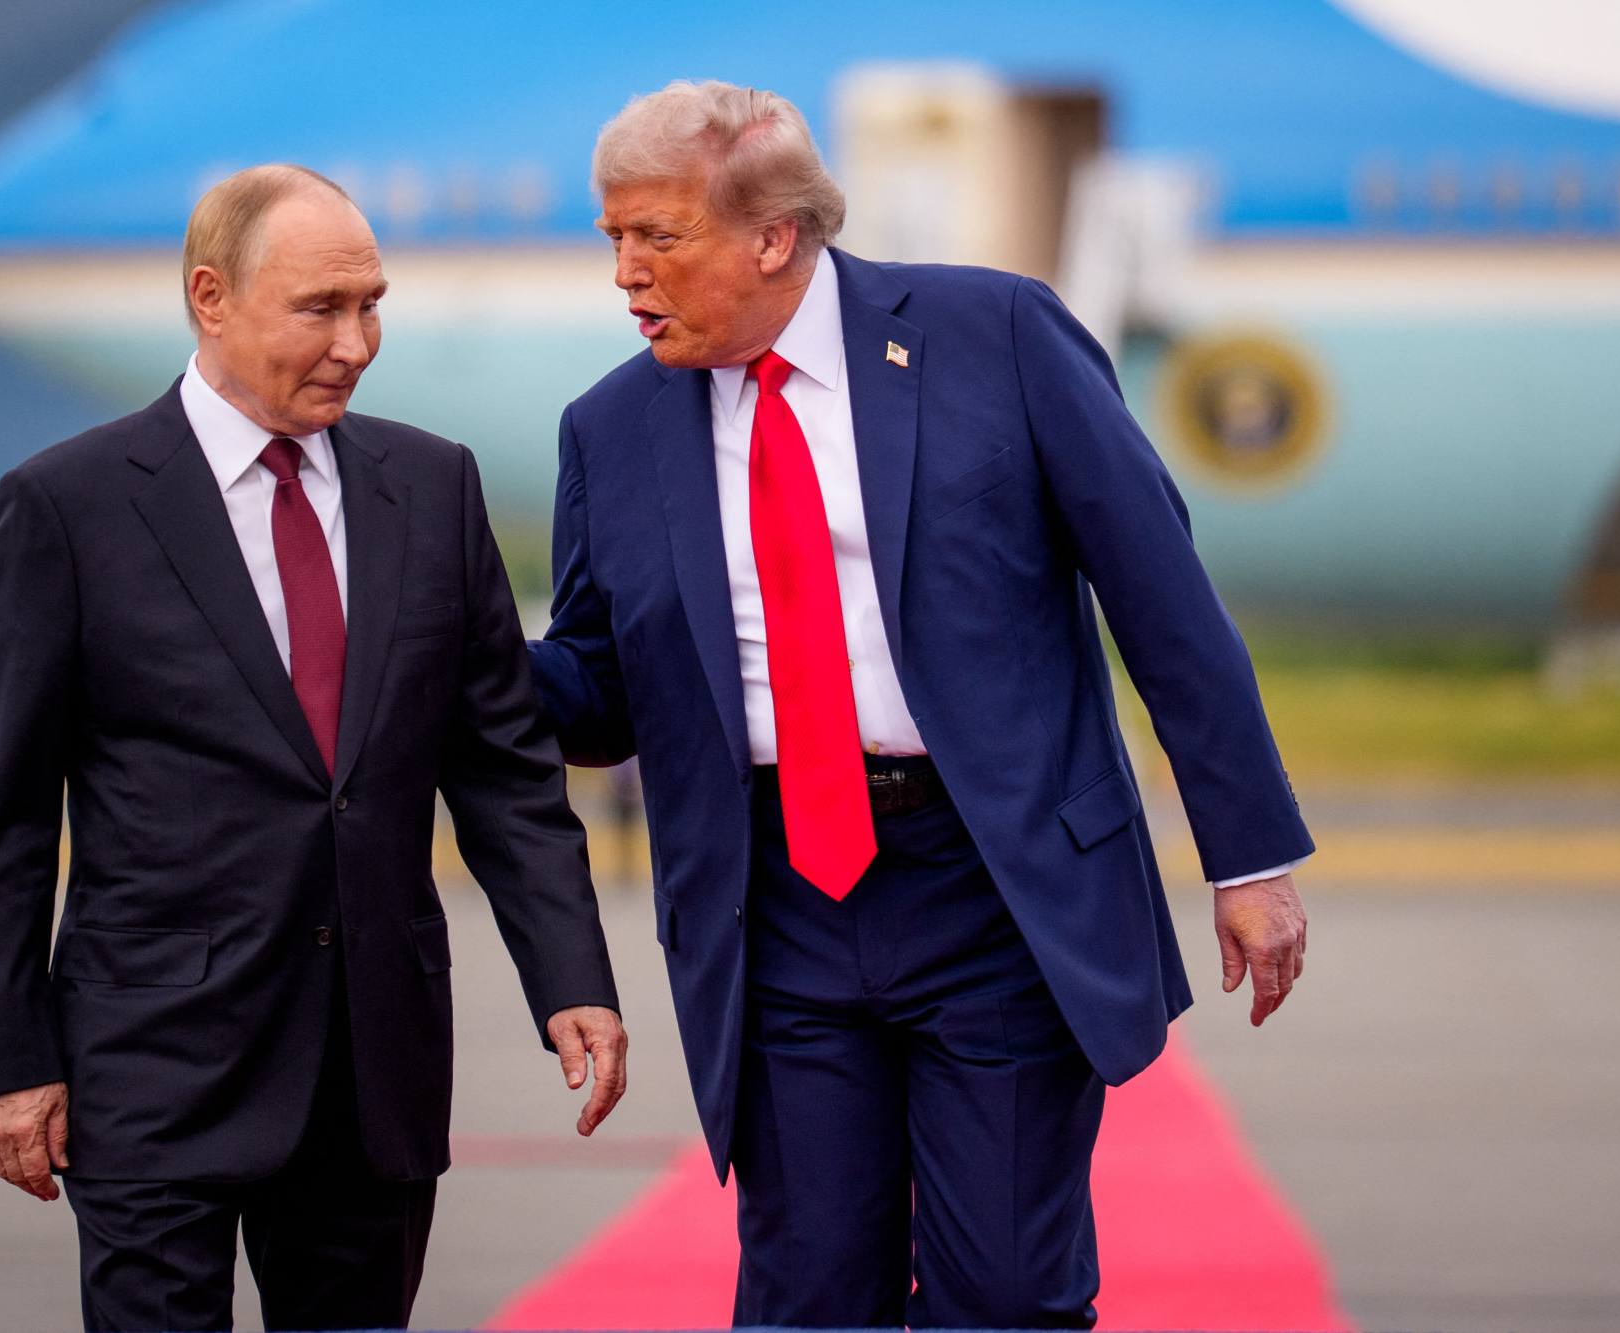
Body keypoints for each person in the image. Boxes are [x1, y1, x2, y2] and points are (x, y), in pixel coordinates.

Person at [529, 81, 1311, 1330]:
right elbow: (597, 693)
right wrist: (455, 650)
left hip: (990, 883)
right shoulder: (610, 429)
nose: (624, 273)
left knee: (1002, 1291)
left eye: (655, 237)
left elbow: (1161, 600)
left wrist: (1249, 855)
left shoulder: (993, 335)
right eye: (612, 238)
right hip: (772, 904)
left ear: (771, 233)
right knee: (807, 1297)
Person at [0, 164, 627, 1333]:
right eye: (321, 308)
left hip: (374, 1074)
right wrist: (5, 1059)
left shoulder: (432, 485)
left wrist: (571, 978)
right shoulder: (67, 506)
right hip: (154, 1070)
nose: (357, 343)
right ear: (210, 299)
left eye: (372, 304)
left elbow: (506, 772)